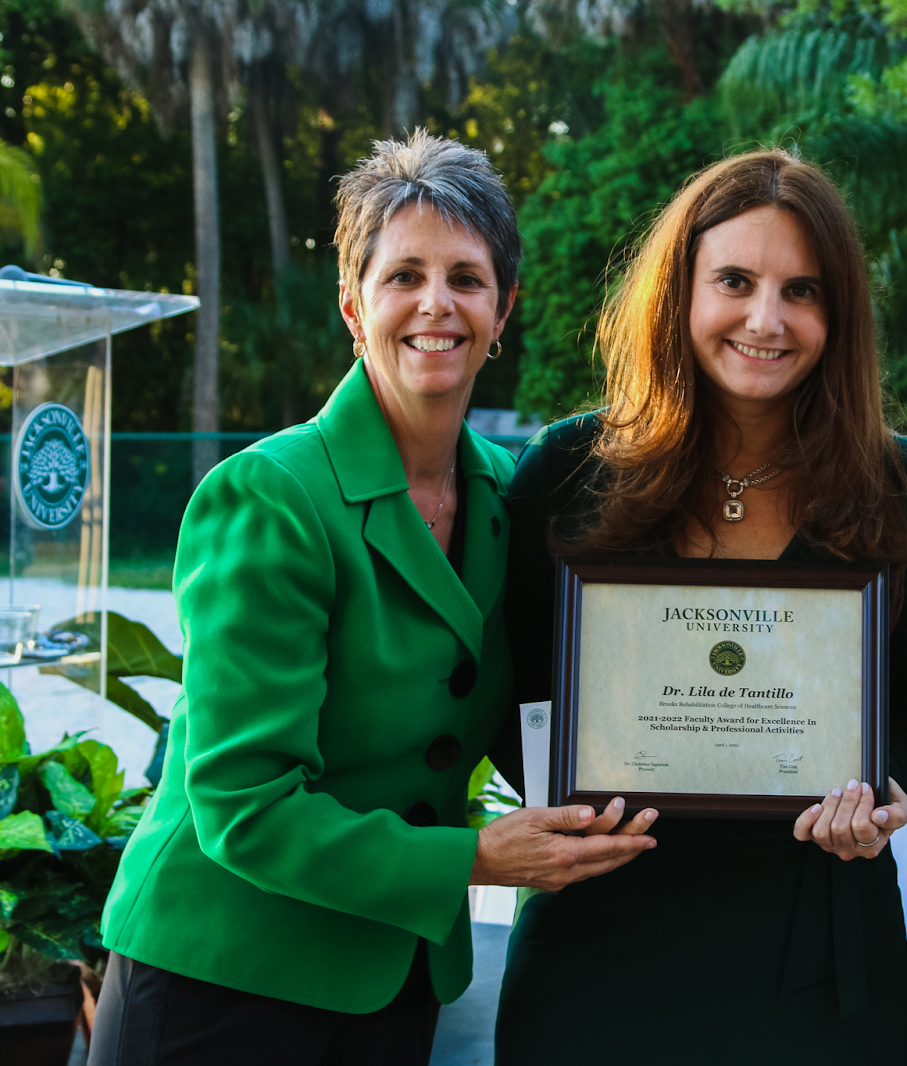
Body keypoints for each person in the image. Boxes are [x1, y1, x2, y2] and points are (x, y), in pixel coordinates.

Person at [90, 132, 655, 1066]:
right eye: (404, 276)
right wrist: (476, 859)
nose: (436, 304)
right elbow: (244, 807)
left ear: (504, 307)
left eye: (467, 278)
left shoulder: (510, 497)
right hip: (219, 978)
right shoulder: (270, 496)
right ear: (354, 306)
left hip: (390, 983)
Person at [497, 149, 907, 1064]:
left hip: (813, 935)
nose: (766, 319)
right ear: (680, 294)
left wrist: (873, 791)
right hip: (601, 921)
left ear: (839, 313)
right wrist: (580, 785)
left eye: (803, 291)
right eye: (735, 282)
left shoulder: (901, 483)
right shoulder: (568, 471)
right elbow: (515, 695)